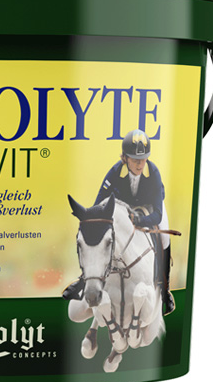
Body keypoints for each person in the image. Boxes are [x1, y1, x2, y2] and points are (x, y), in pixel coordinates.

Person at [63, 129, 175, 315]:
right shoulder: (115, 172)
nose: (140, 164)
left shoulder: (153, 173)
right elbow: (98, 204)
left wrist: (139, 220)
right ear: (125, 157)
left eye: (143, 159)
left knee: (164, 237)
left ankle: (165, 289)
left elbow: (156, 215)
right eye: (135, 159)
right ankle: (83, 280)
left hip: (150, 207)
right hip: (124, 207)